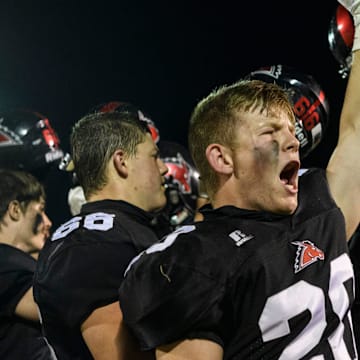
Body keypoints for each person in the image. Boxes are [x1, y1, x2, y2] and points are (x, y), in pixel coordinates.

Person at [118, 2, 360, 358]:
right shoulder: (194, 259)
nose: (293, 141)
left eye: (289, 131)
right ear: (222, 158)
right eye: (271, 132)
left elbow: (355, 132)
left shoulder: (317, 204)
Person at [33, 110, 168, 359]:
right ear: (121, 161)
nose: (164, 169)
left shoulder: (112, 232)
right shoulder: (92, 245)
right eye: (154, 157)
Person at [0, 169, 53, 359]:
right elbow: (59, 306)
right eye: (40, 211)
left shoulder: (11, 261)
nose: (48, 222)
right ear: (15, 210)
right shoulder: (5, 264)